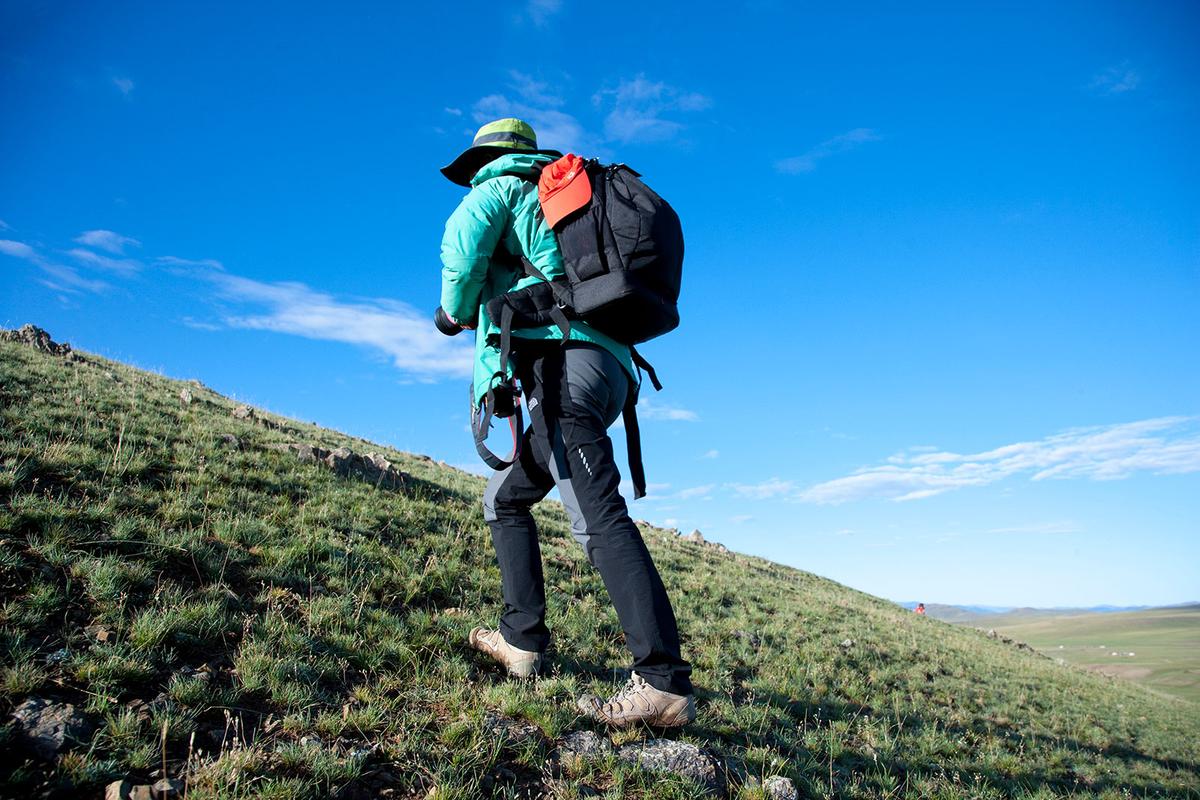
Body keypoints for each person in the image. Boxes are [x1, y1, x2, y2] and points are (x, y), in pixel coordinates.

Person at [437, 118, 695, 727]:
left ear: (484, 160)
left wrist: (452, 315)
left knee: (597, 517)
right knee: (505, 498)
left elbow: (459, 265)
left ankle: (661, 681)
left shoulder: (495, 191)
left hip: (563, 367)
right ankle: (522, 641)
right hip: (608, 368)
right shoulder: (564, 196)